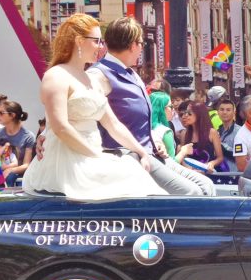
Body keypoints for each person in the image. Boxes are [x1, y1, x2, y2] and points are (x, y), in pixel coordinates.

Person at [21, 13, 164, 200]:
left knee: (135, 173)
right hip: (66, 163)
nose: (101, 47)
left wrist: (141, 151)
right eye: (96, 41)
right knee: (132, 178)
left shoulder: (91, 79)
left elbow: (113, 124)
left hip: (90, 157)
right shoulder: (56, 76)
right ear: (79, 41)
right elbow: (60, 127)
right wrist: (96, 155)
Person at [84, 16, 210, 196]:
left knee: (206, 186)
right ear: (132, 45)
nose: (142, 48)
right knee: (192, 193)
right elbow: (84, 113)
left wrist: (153, 139)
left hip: (151, 152)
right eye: (141, 43)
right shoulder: (98, 74)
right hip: (128, 157)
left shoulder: (132, 74)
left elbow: (138, 120)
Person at [0, 100, 35, 187]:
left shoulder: (28, 136)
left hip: (19, 182)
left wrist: (11, 170)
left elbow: (26, 165)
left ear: (12, 115)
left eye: (1, 113)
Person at [176, 101, 225, 174]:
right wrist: (190, 170)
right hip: (190, 174)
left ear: (199, 115)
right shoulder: (184, 134)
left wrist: (211, 163)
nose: (184, 116)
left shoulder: (212, 133)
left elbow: (220, 158)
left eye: (189, 114)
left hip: (208, 173)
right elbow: (184, 157)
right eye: (185, 113)